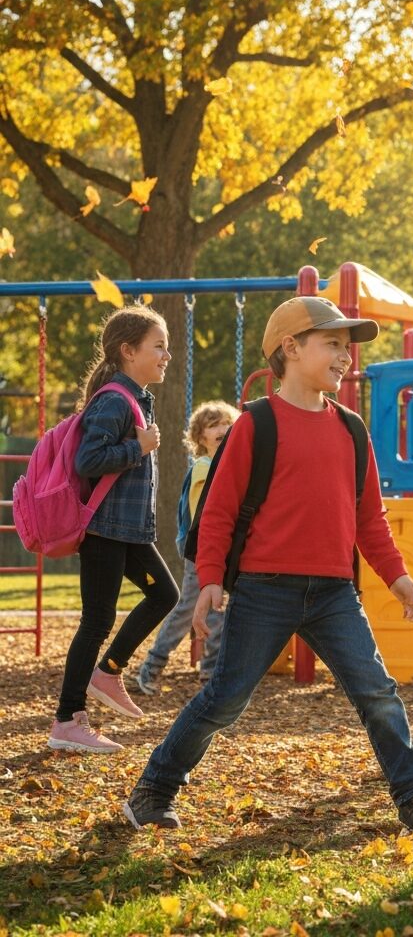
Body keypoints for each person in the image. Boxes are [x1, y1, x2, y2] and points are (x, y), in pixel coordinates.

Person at [124, 295, 413, 834]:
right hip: (262, 591)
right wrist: (209, 583)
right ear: (291, 348)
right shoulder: (254, 426)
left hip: (333, 595)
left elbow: (369, 519)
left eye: (348, 347)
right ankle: (153, 790)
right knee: (224, 701)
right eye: (333, 344)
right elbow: (220, 513)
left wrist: (398, 579)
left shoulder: (352, 431)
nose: (346, 356)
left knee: (378, 695)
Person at [48, 306, 179, 755]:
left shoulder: (138, 397)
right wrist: (137, 446)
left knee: (165, 595)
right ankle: (67, 719)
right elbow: (88, 460)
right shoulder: (113, 399)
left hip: (129, 530)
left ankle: (108, 672)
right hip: (106, 529)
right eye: (157, 346)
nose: (167, 354)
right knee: (97, 619)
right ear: (128, 351)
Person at [135, 400, 239, 695]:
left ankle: (210, 675)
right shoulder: (205, 467)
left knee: (217, 611)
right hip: (200, 549)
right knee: (187, 609)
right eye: (213, 425)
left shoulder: (227, 466)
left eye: (226, 423)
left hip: (220, 550)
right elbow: (204, 515)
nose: (221, 429)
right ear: (200, 437)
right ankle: (152, 667)